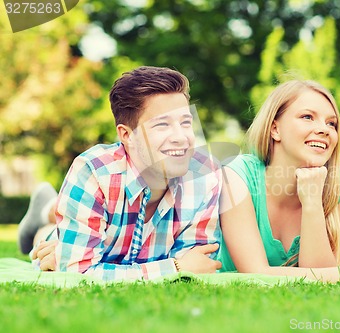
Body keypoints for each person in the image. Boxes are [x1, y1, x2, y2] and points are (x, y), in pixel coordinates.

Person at [17, 66, 222, 281]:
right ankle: (45, 217)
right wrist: (175, 268)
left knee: (58, 250)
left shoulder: (206, 177)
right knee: (48, 244)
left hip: (104, 240)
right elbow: (77, 274)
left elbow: (197, 264)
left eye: (186, 122)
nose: (181, 137)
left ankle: (47, 208)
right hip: (78, 228)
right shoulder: (94, 170)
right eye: (162, 125)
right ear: (127, 135)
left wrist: (89, 265)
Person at [217, 79, 340, 282]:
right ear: (275, 129)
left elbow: (323, 280)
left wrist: (312, 202)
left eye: (331, 123)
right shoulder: (237, 176)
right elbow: (255, 274)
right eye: (307, 117)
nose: (324, 129)